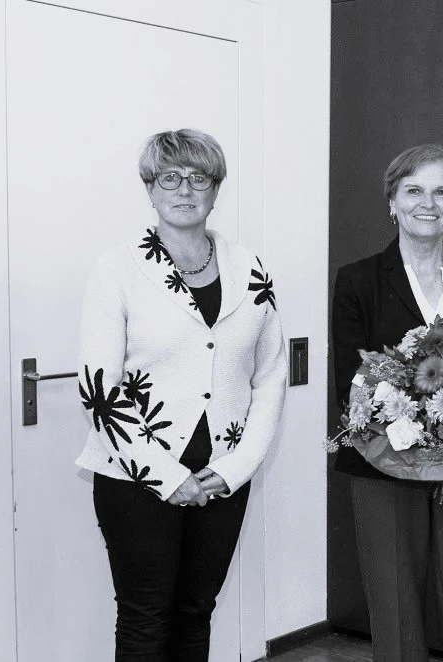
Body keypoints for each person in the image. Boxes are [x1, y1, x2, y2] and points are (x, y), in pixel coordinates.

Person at [75, 128, 288, 660]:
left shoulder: (251, 269)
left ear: (216, 190)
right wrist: (167, 478)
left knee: (197, 612)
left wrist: (238, 467)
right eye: (170, 177)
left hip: (223, 470)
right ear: (150, 188)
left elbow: (270, 378)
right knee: (147, 618)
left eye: (199, 178)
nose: (185, 189)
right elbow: (99, 390)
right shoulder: (117, 269)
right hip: (135, 475)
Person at [331, 143, 443, 661]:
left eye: (440, 191)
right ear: (392, 201)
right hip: (384, 463)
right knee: (395, 607)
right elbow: (352, 384)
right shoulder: (358, 280)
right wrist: (409, 421)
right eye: (413, 190)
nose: (426, 202)